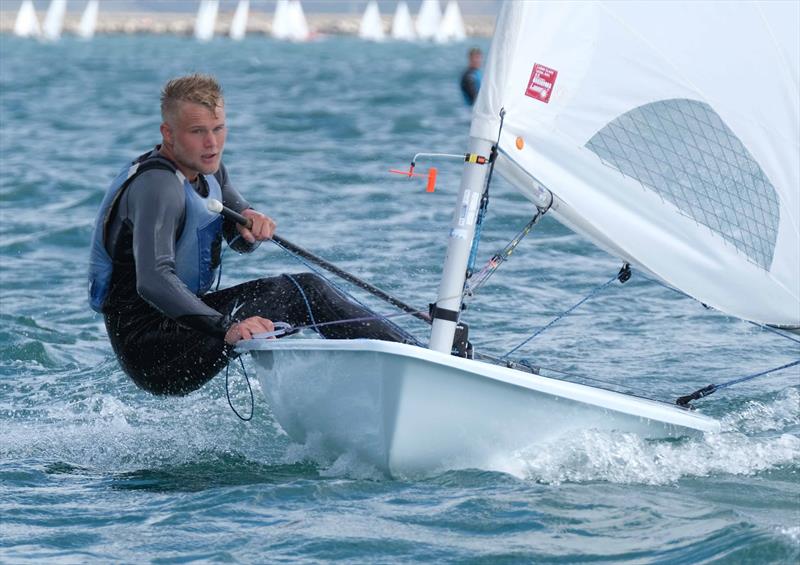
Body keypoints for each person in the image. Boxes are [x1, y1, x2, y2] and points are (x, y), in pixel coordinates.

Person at [89, 74, 408, 396]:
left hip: (185, 325)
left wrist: (252, 223)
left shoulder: (208, 168)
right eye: (197, 132)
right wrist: (227, 328)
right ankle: (410, 363)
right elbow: (153, 280)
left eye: (218, 129)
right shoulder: (157, 186)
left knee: (297, 294)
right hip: (151, 348)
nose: (212, 143)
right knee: (299, 291)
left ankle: (377, 380)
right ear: (168, 134)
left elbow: (239, 238)